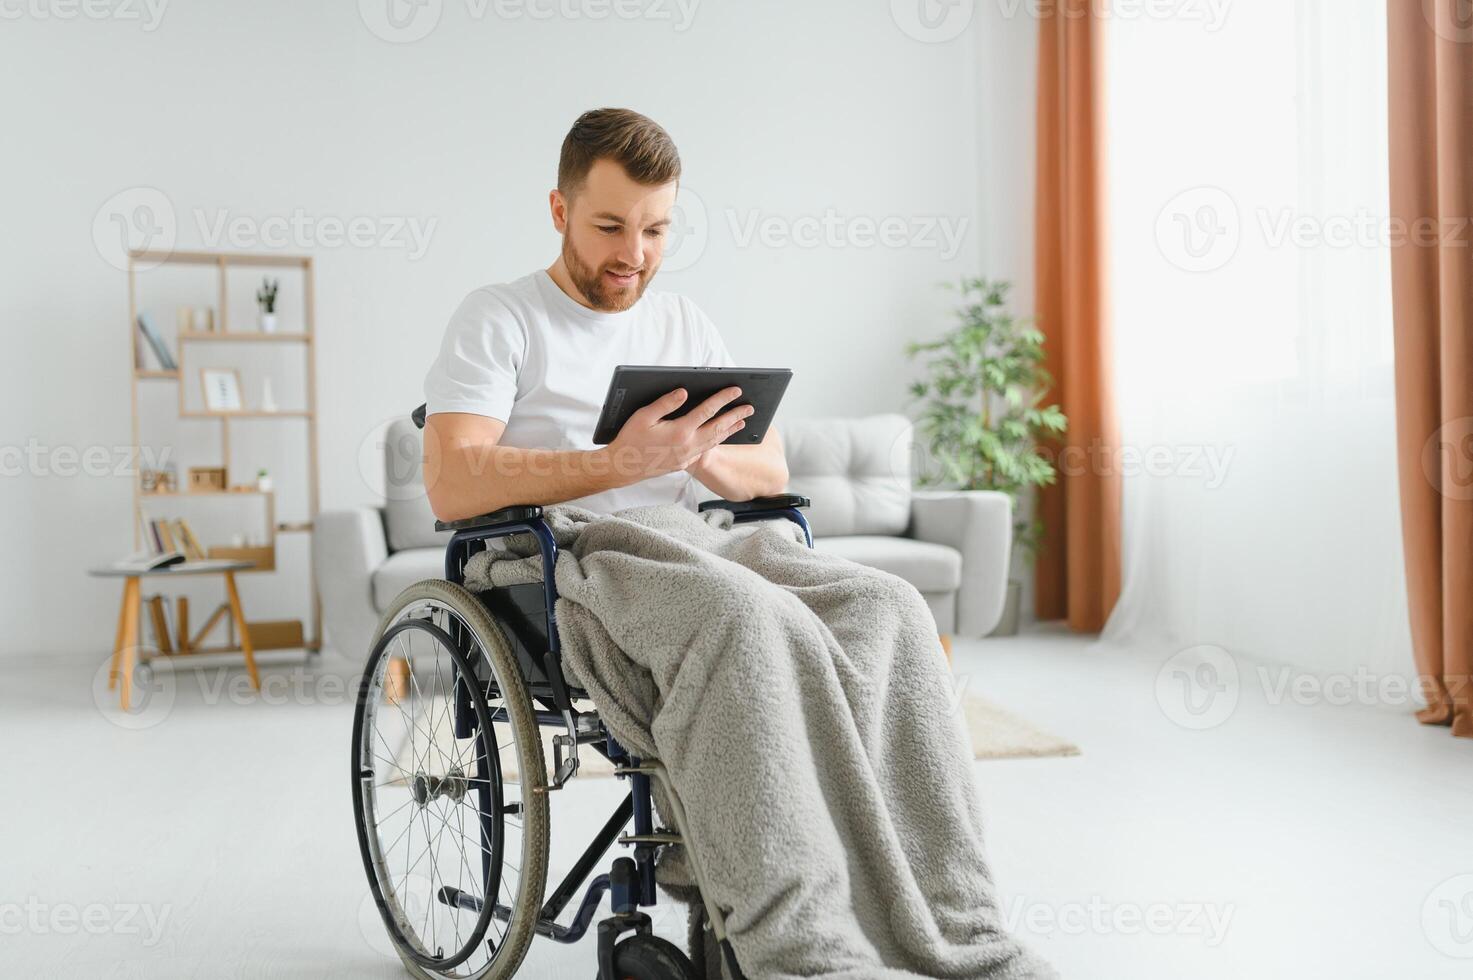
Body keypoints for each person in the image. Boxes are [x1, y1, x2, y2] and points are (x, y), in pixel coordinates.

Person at [422, 107, 788, 521]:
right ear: (561, 212)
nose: (634, 255)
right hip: (570, 556)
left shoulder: (682, 322)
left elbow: (772, 470)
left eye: (654, 231)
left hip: (686, 543)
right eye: (610, 228)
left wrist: (689, 450)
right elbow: (449, 482)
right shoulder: (500, 318)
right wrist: (618, 464)